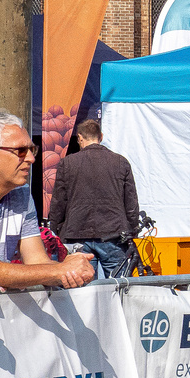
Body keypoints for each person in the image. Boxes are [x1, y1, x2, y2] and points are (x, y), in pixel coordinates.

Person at [0, 111, 95, 290]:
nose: (31, 158)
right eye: (20, 151)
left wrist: (72, 269)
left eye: (32, 149)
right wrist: (59, 270)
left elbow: (37, 261)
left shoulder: (21, 193)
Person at [46, 119, 141, 278]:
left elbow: (58, 202)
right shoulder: (120, 162)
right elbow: (131, 203)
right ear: (101, 136)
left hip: (77, 234)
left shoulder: (67, 163)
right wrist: (132, 230)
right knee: (120, 290)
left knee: (84, 293)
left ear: (79, 138)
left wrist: (55, 230)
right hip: (114, 234)